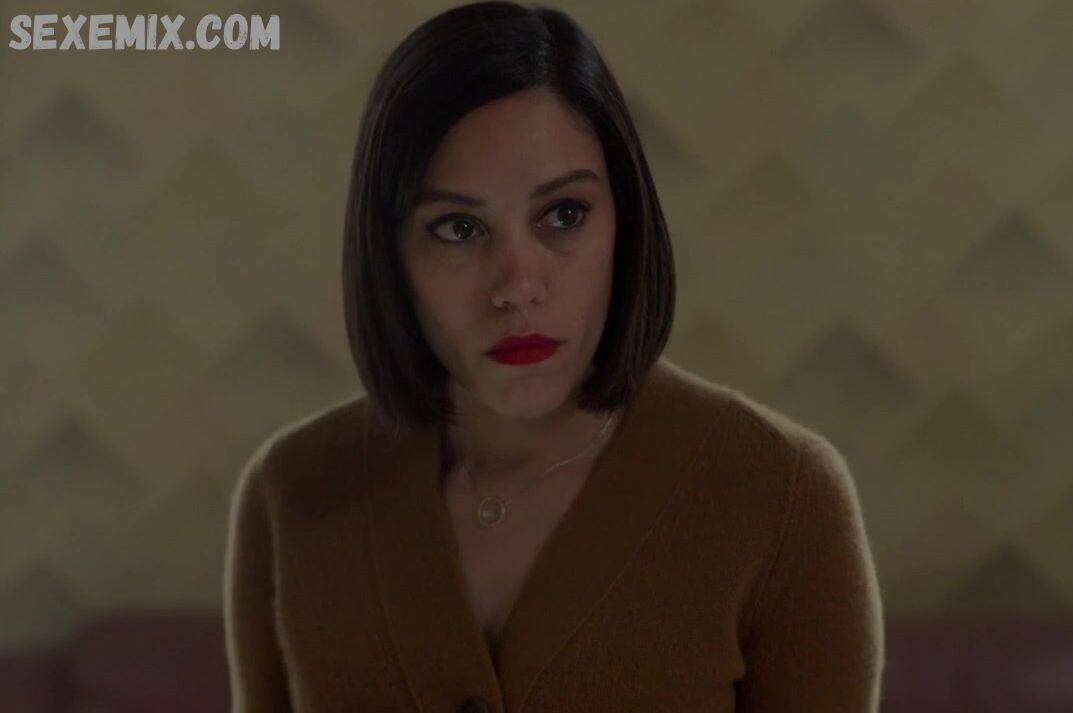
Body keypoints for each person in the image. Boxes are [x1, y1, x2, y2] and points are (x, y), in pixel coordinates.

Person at [222, 2, 884, 711]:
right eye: (457, 228)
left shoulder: (781, 498)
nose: (517, 286)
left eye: (564, 214)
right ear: (389, 257)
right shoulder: (291, 494)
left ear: (624, 222)